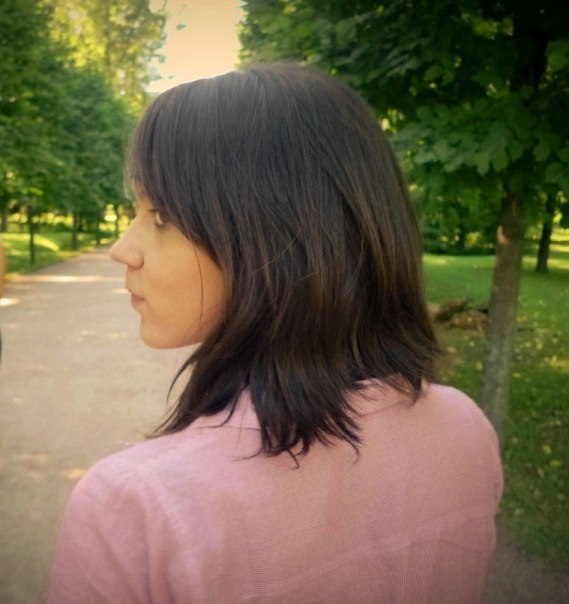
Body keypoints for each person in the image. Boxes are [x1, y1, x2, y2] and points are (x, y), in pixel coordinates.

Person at [48, 64, 502, 603]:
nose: (122, 249)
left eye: (160, 215)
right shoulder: (467, 430)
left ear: (274, 234)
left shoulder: (139, 510)